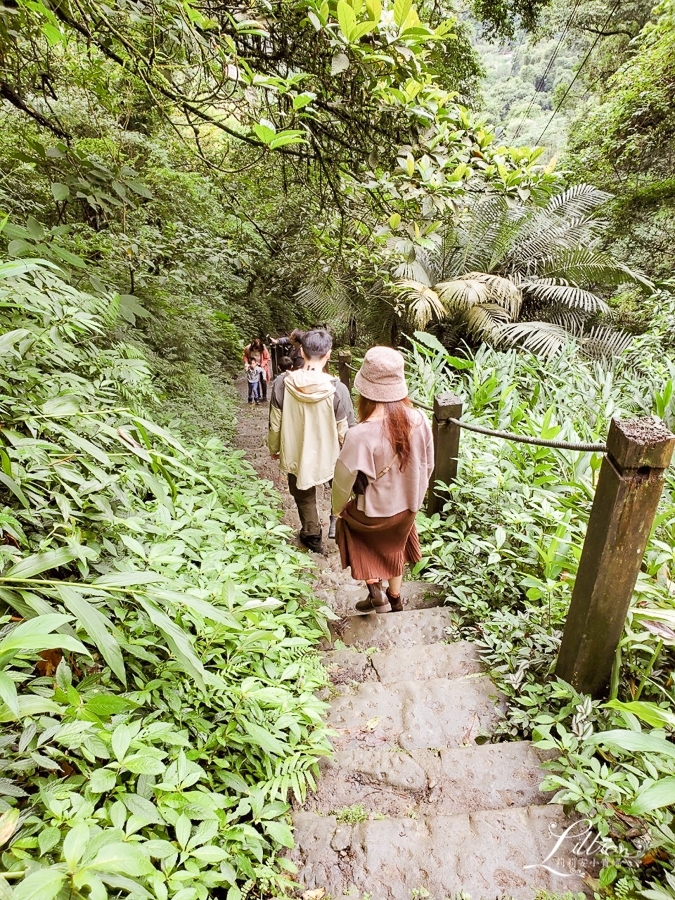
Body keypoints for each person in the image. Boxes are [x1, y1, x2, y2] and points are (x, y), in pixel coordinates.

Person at [331, 346, 434, 614]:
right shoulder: (420, 420)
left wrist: (337, 511)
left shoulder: (359, 435)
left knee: (349, 526)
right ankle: (396, 597)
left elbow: (342, 482)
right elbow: (428, 465)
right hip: (406, 513)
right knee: (396, 542)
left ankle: (374, 589)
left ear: (364, 391)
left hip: (373, 517)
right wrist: (413, 500)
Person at [268, 329, 355, 553]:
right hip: (331, 453)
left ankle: (312, 535)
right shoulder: (338, 389)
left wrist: (274, 447)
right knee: (340, 486)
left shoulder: (282, 383)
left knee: (304, 495)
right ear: (328, 354)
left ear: (302, 352)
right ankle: (337, 520)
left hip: (297, 451)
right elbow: (345, 430)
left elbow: (275, 423)